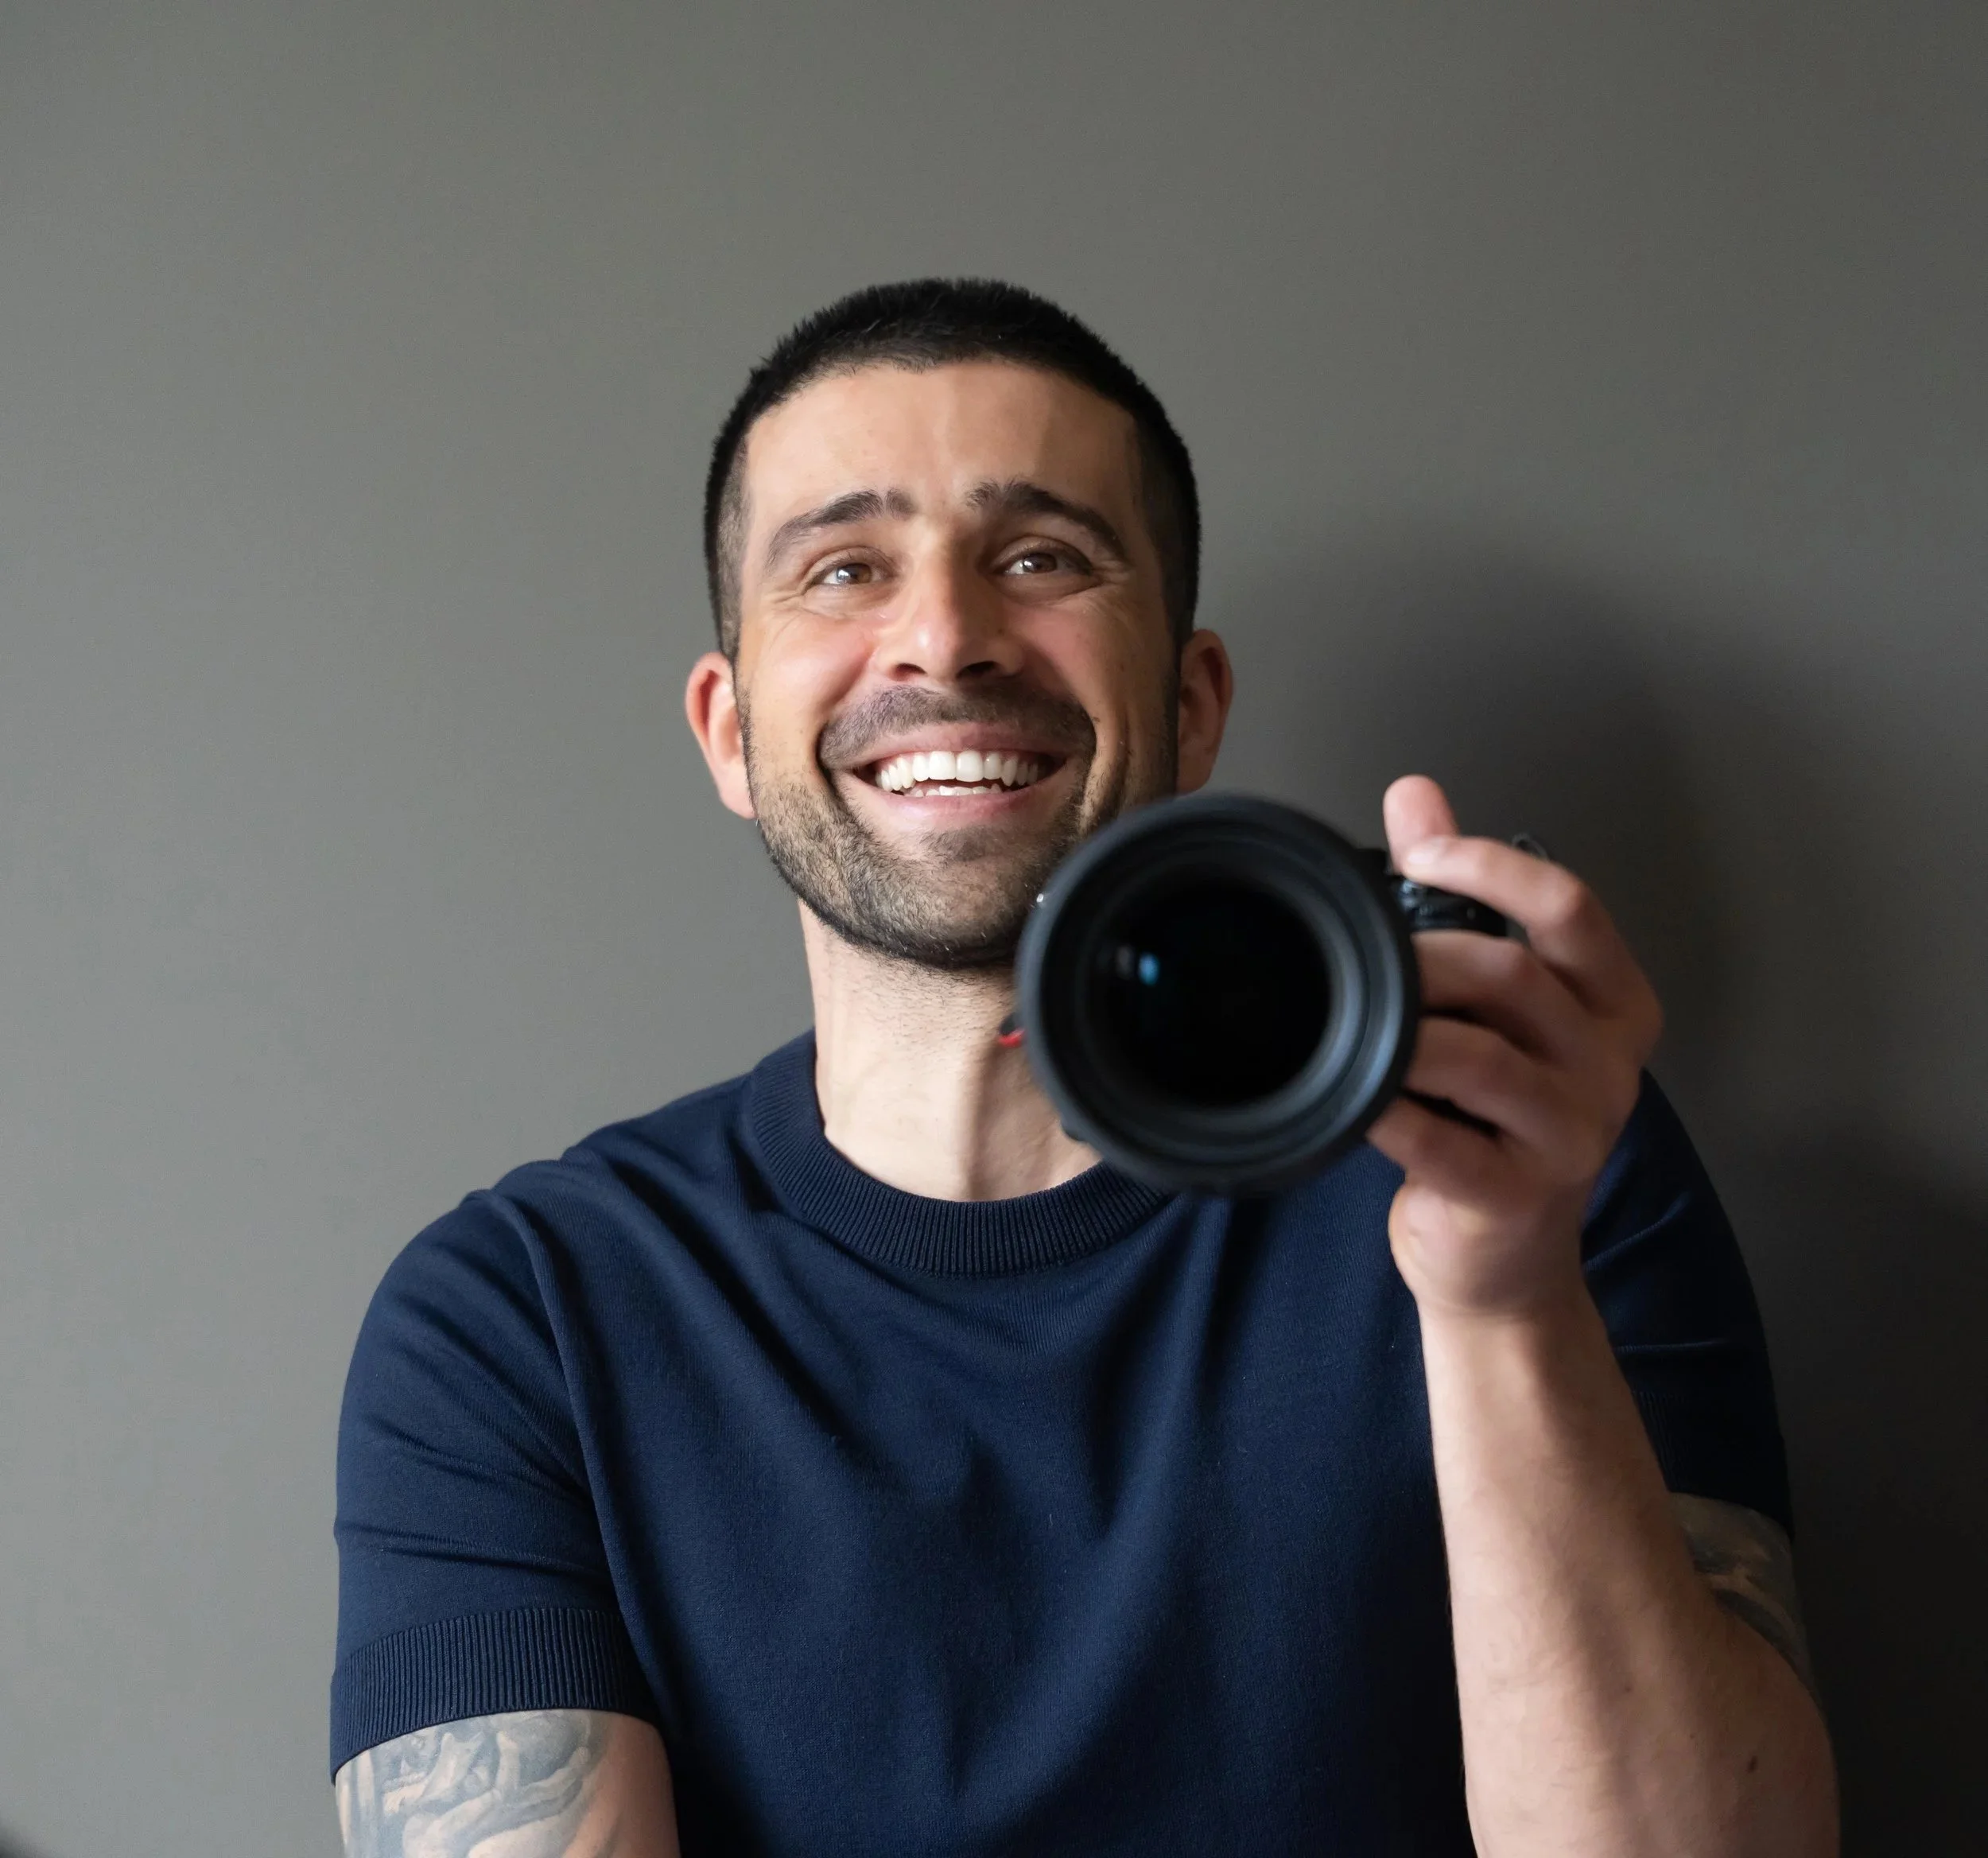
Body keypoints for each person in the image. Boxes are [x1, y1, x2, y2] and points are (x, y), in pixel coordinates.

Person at [330, 279, 1837, 1856]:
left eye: (1038, 557)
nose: (943, 637)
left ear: (1187, 707)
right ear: (726, 730)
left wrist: (1500, 1294)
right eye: (844, 567)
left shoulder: (1516, 1149)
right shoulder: (521, 1319)